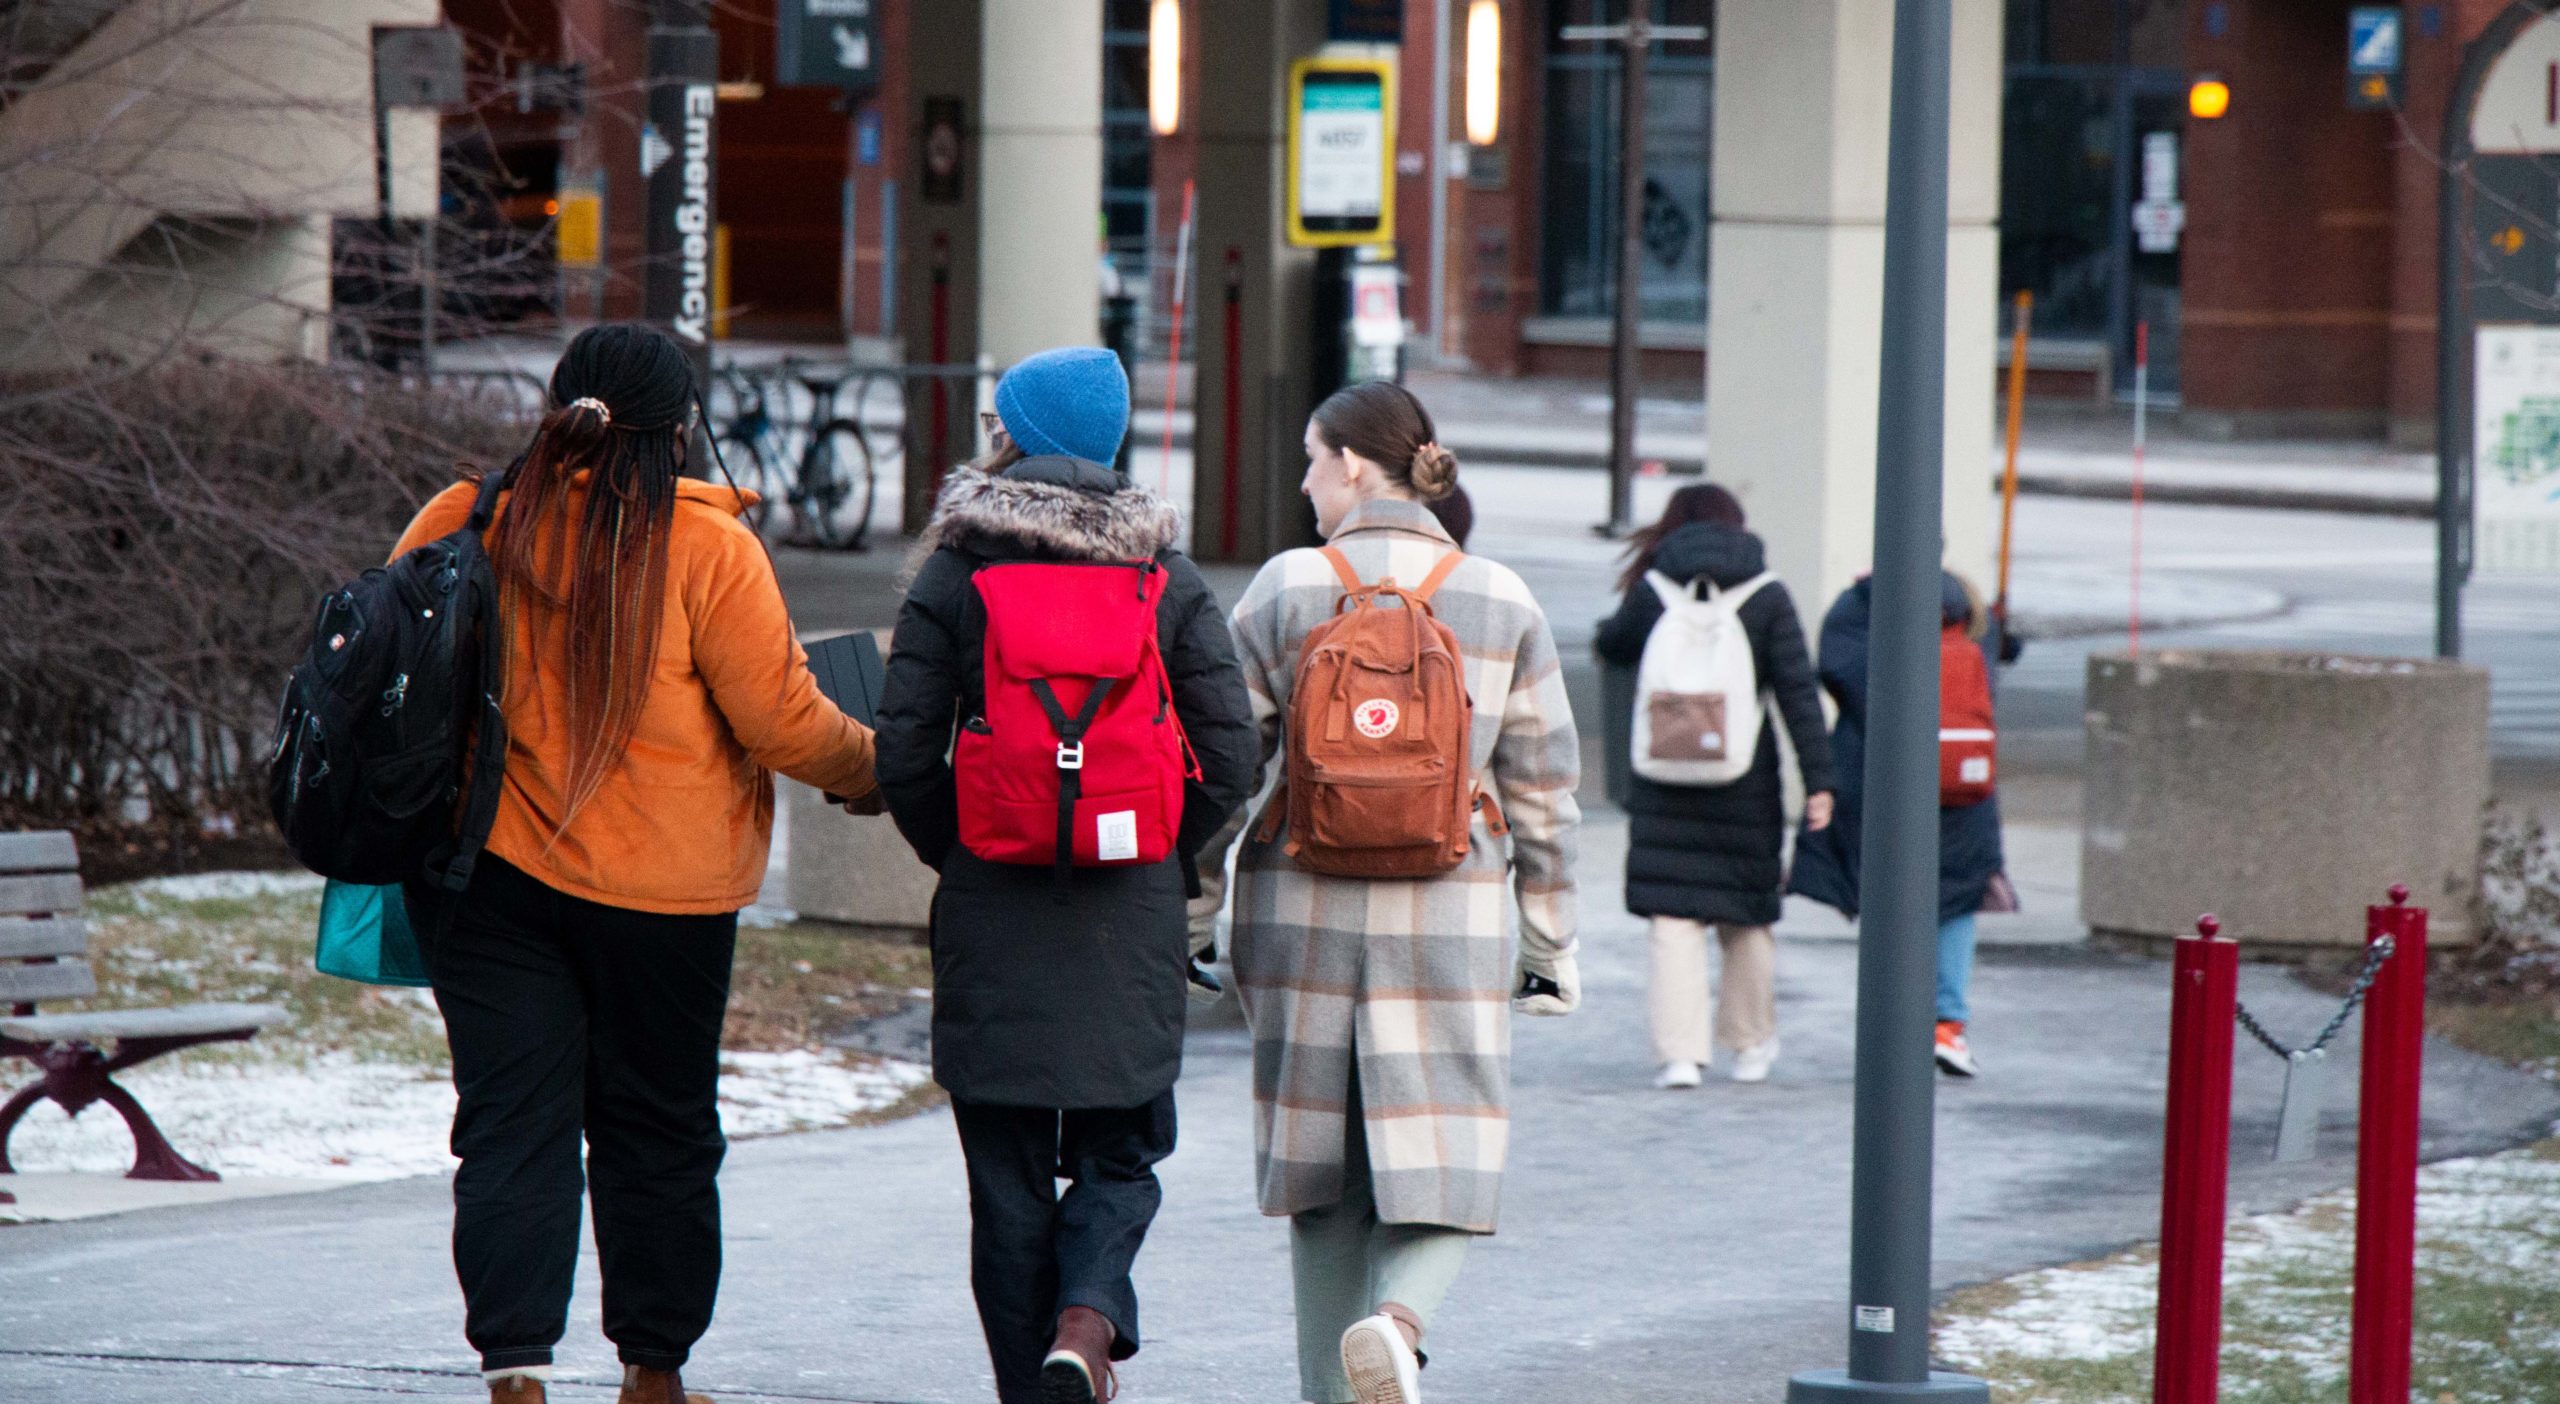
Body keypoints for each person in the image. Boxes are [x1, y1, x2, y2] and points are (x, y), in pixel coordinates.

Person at [393, 323, 884, 1404]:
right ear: (679, 432)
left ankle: (515, 1371)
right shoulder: (708, 549)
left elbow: (392, 674)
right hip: (667, 899)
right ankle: (652, 1374)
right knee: (656, 1127)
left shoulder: (467, 518)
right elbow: (784, 720)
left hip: (482, 877)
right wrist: (873, 766)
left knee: (510, 1123)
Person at [873, 346, 1258, 1404]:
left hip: (992, 908)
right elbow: (1231, 758)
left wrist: (963, 845)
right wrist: (1157, 855)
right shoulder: (1164, 577)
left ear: (1012, 436)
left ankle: (1026, 1385)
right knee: (1121, 1149)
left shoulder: (955, 572)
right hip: (1125, 913)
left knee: (1003, 1181)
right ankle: (1083, 1329)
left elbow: (903, 753)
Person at [1225, 380, 1582, 1404]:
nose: (1303, 481)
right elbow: (1547, 793)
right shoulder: (1502, 597)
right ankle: (1397, 1324)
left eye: (1309, 459)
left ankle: (1331, 1392)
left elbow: (1217, 765)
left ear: (1350, 464)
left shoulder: (1286, 588)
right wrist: (1548, 940)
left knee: (1323, 1189)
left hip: (1303, 912)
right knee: (1443, 1170)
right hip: (1452, 911)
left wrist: (1203, 910)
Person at [1593, 484, 1834, 1088]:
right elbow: (1797, 692)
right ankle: (1750, 1044)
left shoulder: (1655, 589)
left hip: (1663, 774)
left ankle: (1681, 1056)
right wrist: (1819, 782)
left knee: (1673, 917)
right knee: (1747, 914)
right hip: (1743, 775)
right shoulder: (1767, 593)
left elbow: (1615, 646)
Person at [1786, 570, 2018, 1079]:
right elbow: (1989, 685)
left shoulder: (1859, 605)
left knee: (1888, 900)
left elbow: (1842, 675)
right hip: (1962, 783)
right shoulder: (1973, 611)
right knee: (1956, 902)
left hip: (1880, 779)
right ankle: (1947, 1024)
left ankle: (1892, 1023)